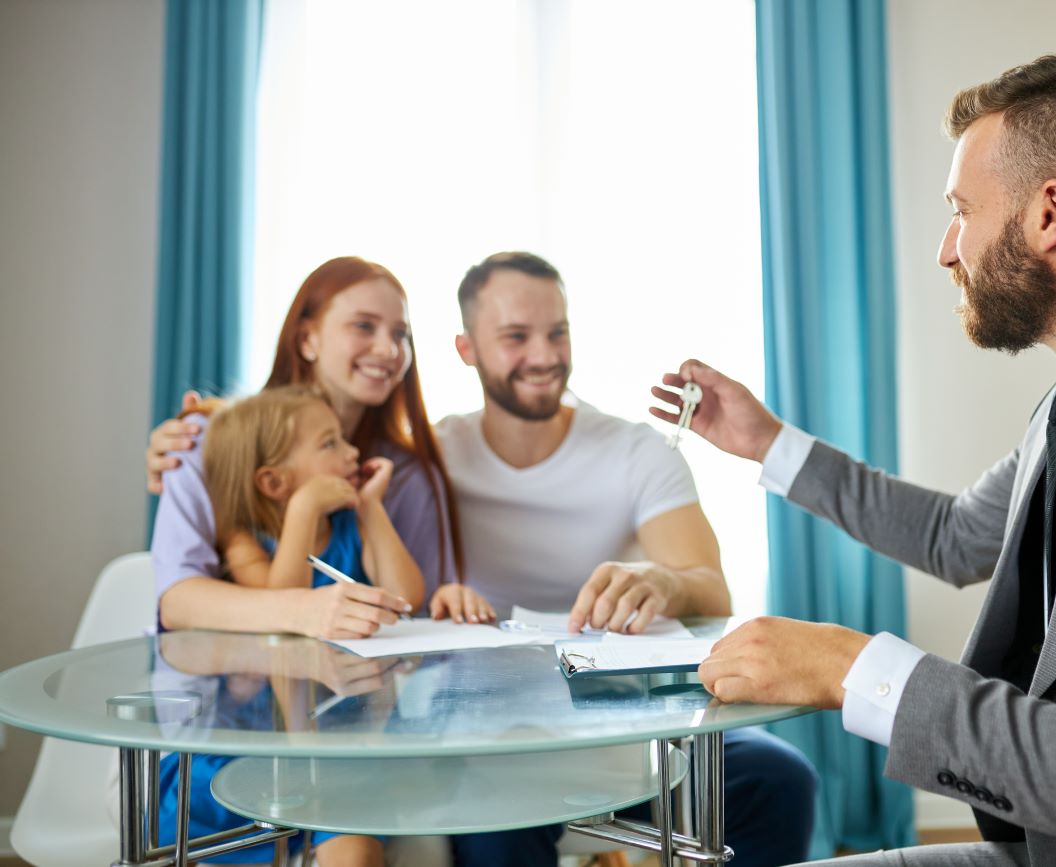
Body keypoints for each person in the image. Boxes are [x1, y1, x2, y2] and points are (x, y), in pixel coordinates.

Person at [653, 53, 1056, 866]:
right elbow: (959, 535)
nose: (946, 250)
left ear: (1050, 212)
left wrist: (860, 669)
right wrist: (764, 442)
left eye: (962, 210)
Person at [435, 251, 818, 867]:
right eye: (515, 337)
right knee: (498, 824)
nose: (544, 355)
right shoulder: (433, 456)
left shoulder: (635, 452)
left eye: (557, 332)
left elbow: (709, 590)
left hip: (624, 719)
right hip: (493, 730)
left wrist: (661, 581)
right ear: (467, 349)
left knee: (778, 780)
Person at [154, 386, 492, 866]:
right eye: (330, 444)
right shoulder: (243, 540)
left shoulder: (353, 527)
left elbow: (407, 594)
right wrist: (302, 512)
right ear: (274, 482)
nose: (353, 452)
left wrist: (372, 507)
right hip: (255, 749)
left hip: (347, 747)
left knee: (354, 852)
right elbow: (282, 606)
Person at [147, 256, 491, 637]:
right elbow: (177, 599)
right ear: (307, 339)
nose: (390, 350)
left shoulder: (402, 472)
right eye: (364, 326)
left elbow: (414, 608)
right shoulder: (202, 440)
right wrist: (302, 612)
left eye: (401, 334)